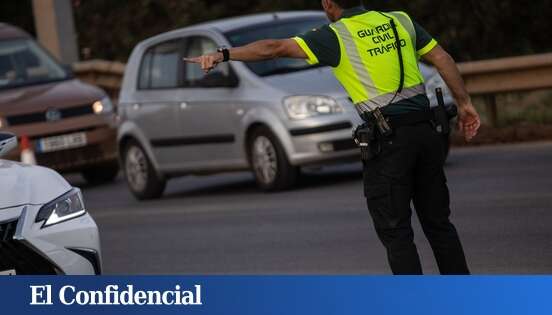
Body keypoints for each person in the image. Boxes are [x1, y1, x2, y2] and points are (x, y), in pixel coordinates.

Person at [184, 0, 481, 275]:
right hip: (427, 133)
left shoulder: (335, 35)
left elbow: (273, 48)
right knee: (439, 224)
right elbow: (442, 58)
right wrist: (465, 104)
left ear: (328, 4)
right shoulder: (399, 20)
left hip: (390, 141)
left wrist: (222, 55)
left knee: (396, 232)